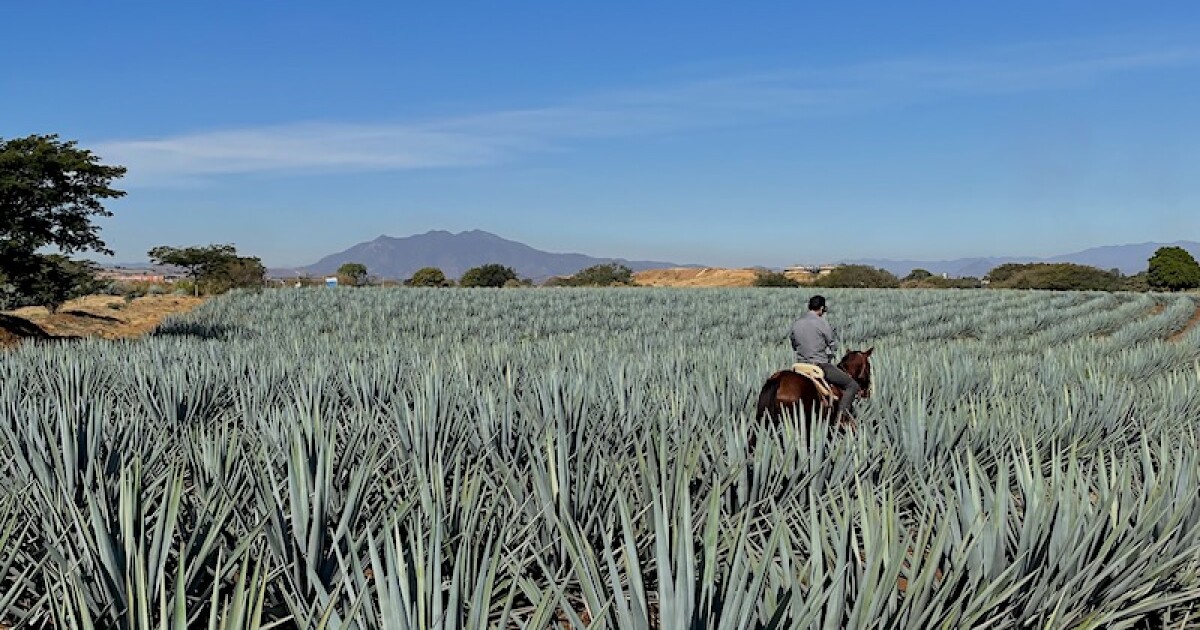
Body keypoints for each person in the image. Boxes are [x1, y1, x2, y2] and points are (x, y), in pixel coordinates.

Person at [789, 295, 860, 420]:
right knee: (852, 385)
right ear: (821, 309)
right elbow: (832, 344)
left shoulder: (797, 324)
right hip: (819, 365)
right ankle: (841, 417)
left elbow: (794, 345)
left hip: (800, 366)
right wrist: (829, 354)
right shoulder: (822, 323)